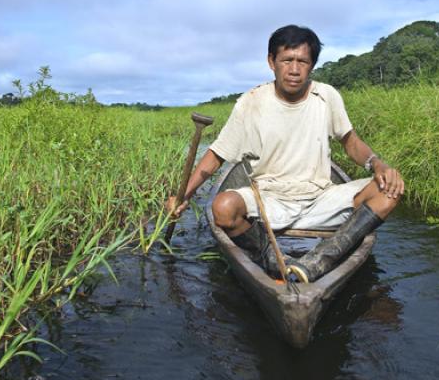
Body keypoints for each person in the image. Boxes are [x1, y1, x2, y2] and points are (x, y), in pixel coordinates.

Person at [168, 25, 404, 283]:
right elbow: (216, 155)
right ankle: (271, 258)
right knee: (223, 208)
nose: (294, 69)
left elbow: (351, 142)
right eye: (286, 60)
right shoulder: (252, 101)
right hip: (269, 200)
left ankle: (320, 260)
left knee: (389, 189)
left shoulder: (326, 96)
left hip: (321, 197)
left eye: (302, 61)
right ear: (272, 62)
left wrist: (377, 164)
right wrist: (184, 196)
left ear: (312, 65)